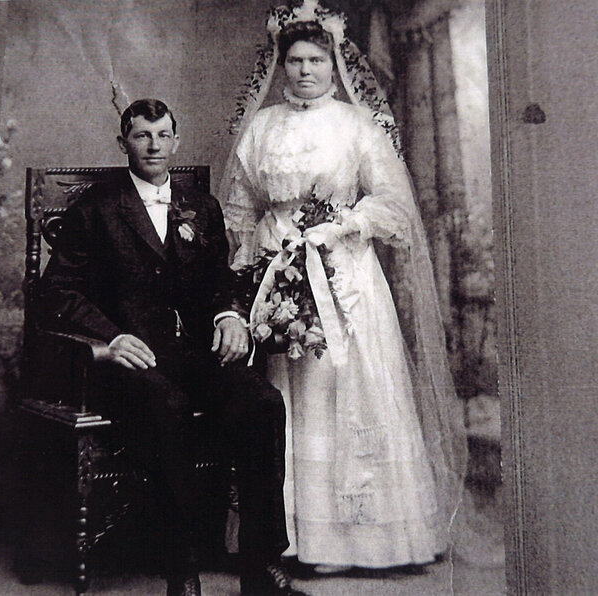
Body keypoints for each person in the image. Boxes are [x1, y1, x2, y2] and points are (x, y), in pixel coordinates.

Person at [219, 1, 466, 573]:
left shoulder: (356, 126)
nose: (305, 71)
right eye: (295, 61)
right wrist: (257, 260)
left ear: (335, 66)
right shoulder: (261, 127)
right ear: (280, 67)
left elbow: (394, 205)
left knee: (344, 390)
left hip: (346, 277)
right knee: (287, 393)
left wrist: (345, 225)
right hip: (278, 271)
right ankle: (288, 538)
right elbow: (238, 207)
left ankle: (357, 539)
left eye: (316, 60)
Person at [38, 98, 309, 596]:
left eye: (163, 135)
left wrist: (229, 314)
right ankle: (181, 572)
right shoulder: (96, 209)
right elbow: (55, 292)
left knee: (263, 403)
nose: (154, 145)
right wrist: (110, 336)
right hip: (129, 362)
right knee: (168, 406)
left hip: (191, 355)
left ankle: (260, 566)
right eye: (142, 135)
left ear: (176, 141)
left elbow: (218, 278)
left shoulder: (199, 207)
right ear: (124, 143)